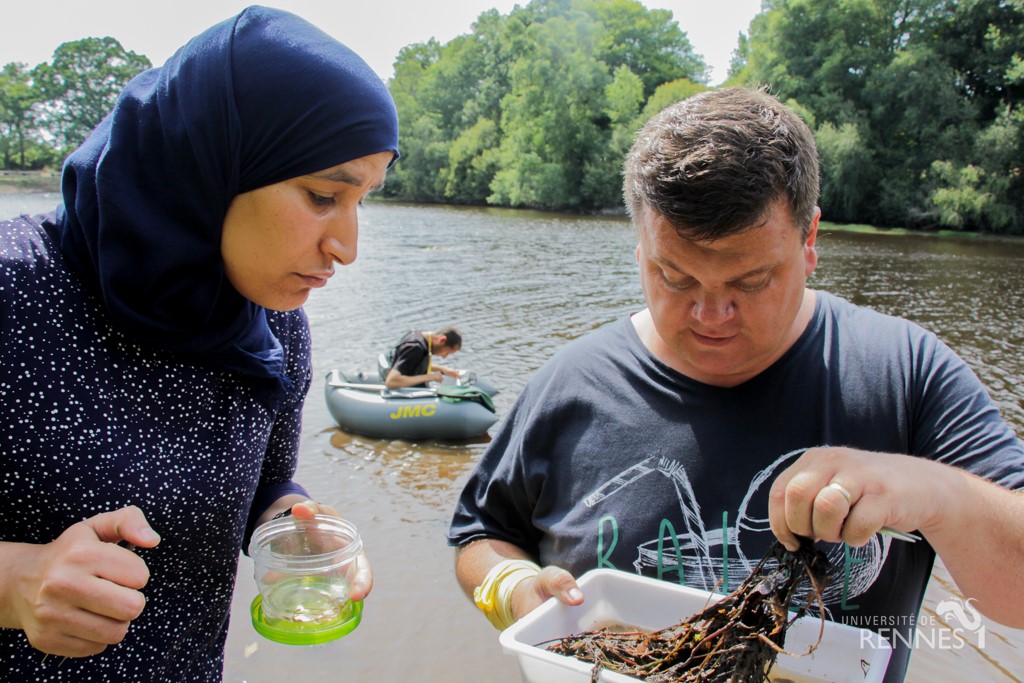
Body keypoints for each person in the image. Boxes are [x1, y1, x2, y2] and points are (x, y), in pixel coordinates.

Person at [448, 87, 1024, 682]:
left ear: (809, 241)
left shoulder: (905, 373)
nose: (710, 314)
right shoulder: (571, 385)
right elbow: (481, 536)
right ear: (640, 247)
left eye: (751, 280)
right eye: (674, 276)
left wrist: (932, 490)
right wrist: (516, 590)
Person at [0, 6, 398, 681]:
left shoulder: (275, 320)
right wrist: (16, 581)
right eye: (323, 195)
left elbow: (267, 480)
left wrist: (288, 520)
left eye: (365, 200)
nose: (347, 247)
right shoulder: (16, 294)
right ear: (212, 162)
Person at [383, 327, 463, 388]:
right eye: (447, 352)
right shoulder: (415, 348)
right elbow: (391, 382)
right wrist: (430, 377)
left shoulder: (421, 338)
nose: (444, 357)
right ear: (442, 340)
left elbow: (411, 363)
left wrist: (443, 369)